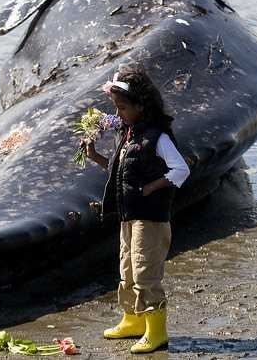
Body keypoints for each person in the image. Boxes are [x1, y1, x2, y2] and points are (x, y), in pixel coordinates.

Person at [83, 64, 190, 354]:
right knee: (127, 269)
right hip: (129, 216)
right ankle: (133, 319)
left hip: (150, 218)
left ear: (140, 106)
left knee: (145, 273)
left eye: (122, 108)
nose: (118, 114)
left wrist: (152, 187)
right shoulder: (128, 135)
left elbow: (181, 169)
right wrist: (94, 156)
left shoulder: (158, 137)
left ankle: (157, 332)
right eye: (115, 108)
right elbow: (118, 172)